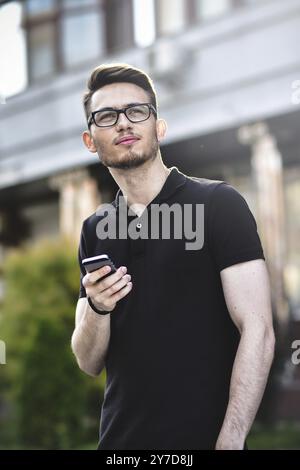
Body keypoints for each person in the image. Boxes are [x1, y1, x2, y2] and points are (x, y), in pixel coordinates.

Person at [71, 63, 275, 450]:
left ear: (158, 127)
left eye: (137, 111)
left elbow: (259, 329)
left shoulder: (218, 204)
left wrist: (231, 440)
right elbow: (87, 361)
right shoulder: (94, 229)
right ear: (90, 140)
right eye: (107, 116)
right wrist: (97, 307)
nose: (124, 123)